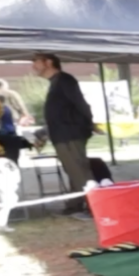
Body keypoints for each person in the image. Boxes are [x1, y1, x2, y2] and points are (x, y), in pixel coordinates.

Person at [34, 52, 93, 217]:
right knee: (74, 171)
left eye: (36, 62)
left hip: (70, 133)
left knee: (79, 171)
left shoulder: (65, 80)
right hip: (62, 133)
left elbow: (80, 104)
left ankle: (95, 206)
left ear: (49, 63)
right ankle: (75, 205)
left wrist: (88, 124)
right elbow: (58, 112)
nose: (33, 66)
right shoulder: (56, 82)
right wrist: (44, 133)